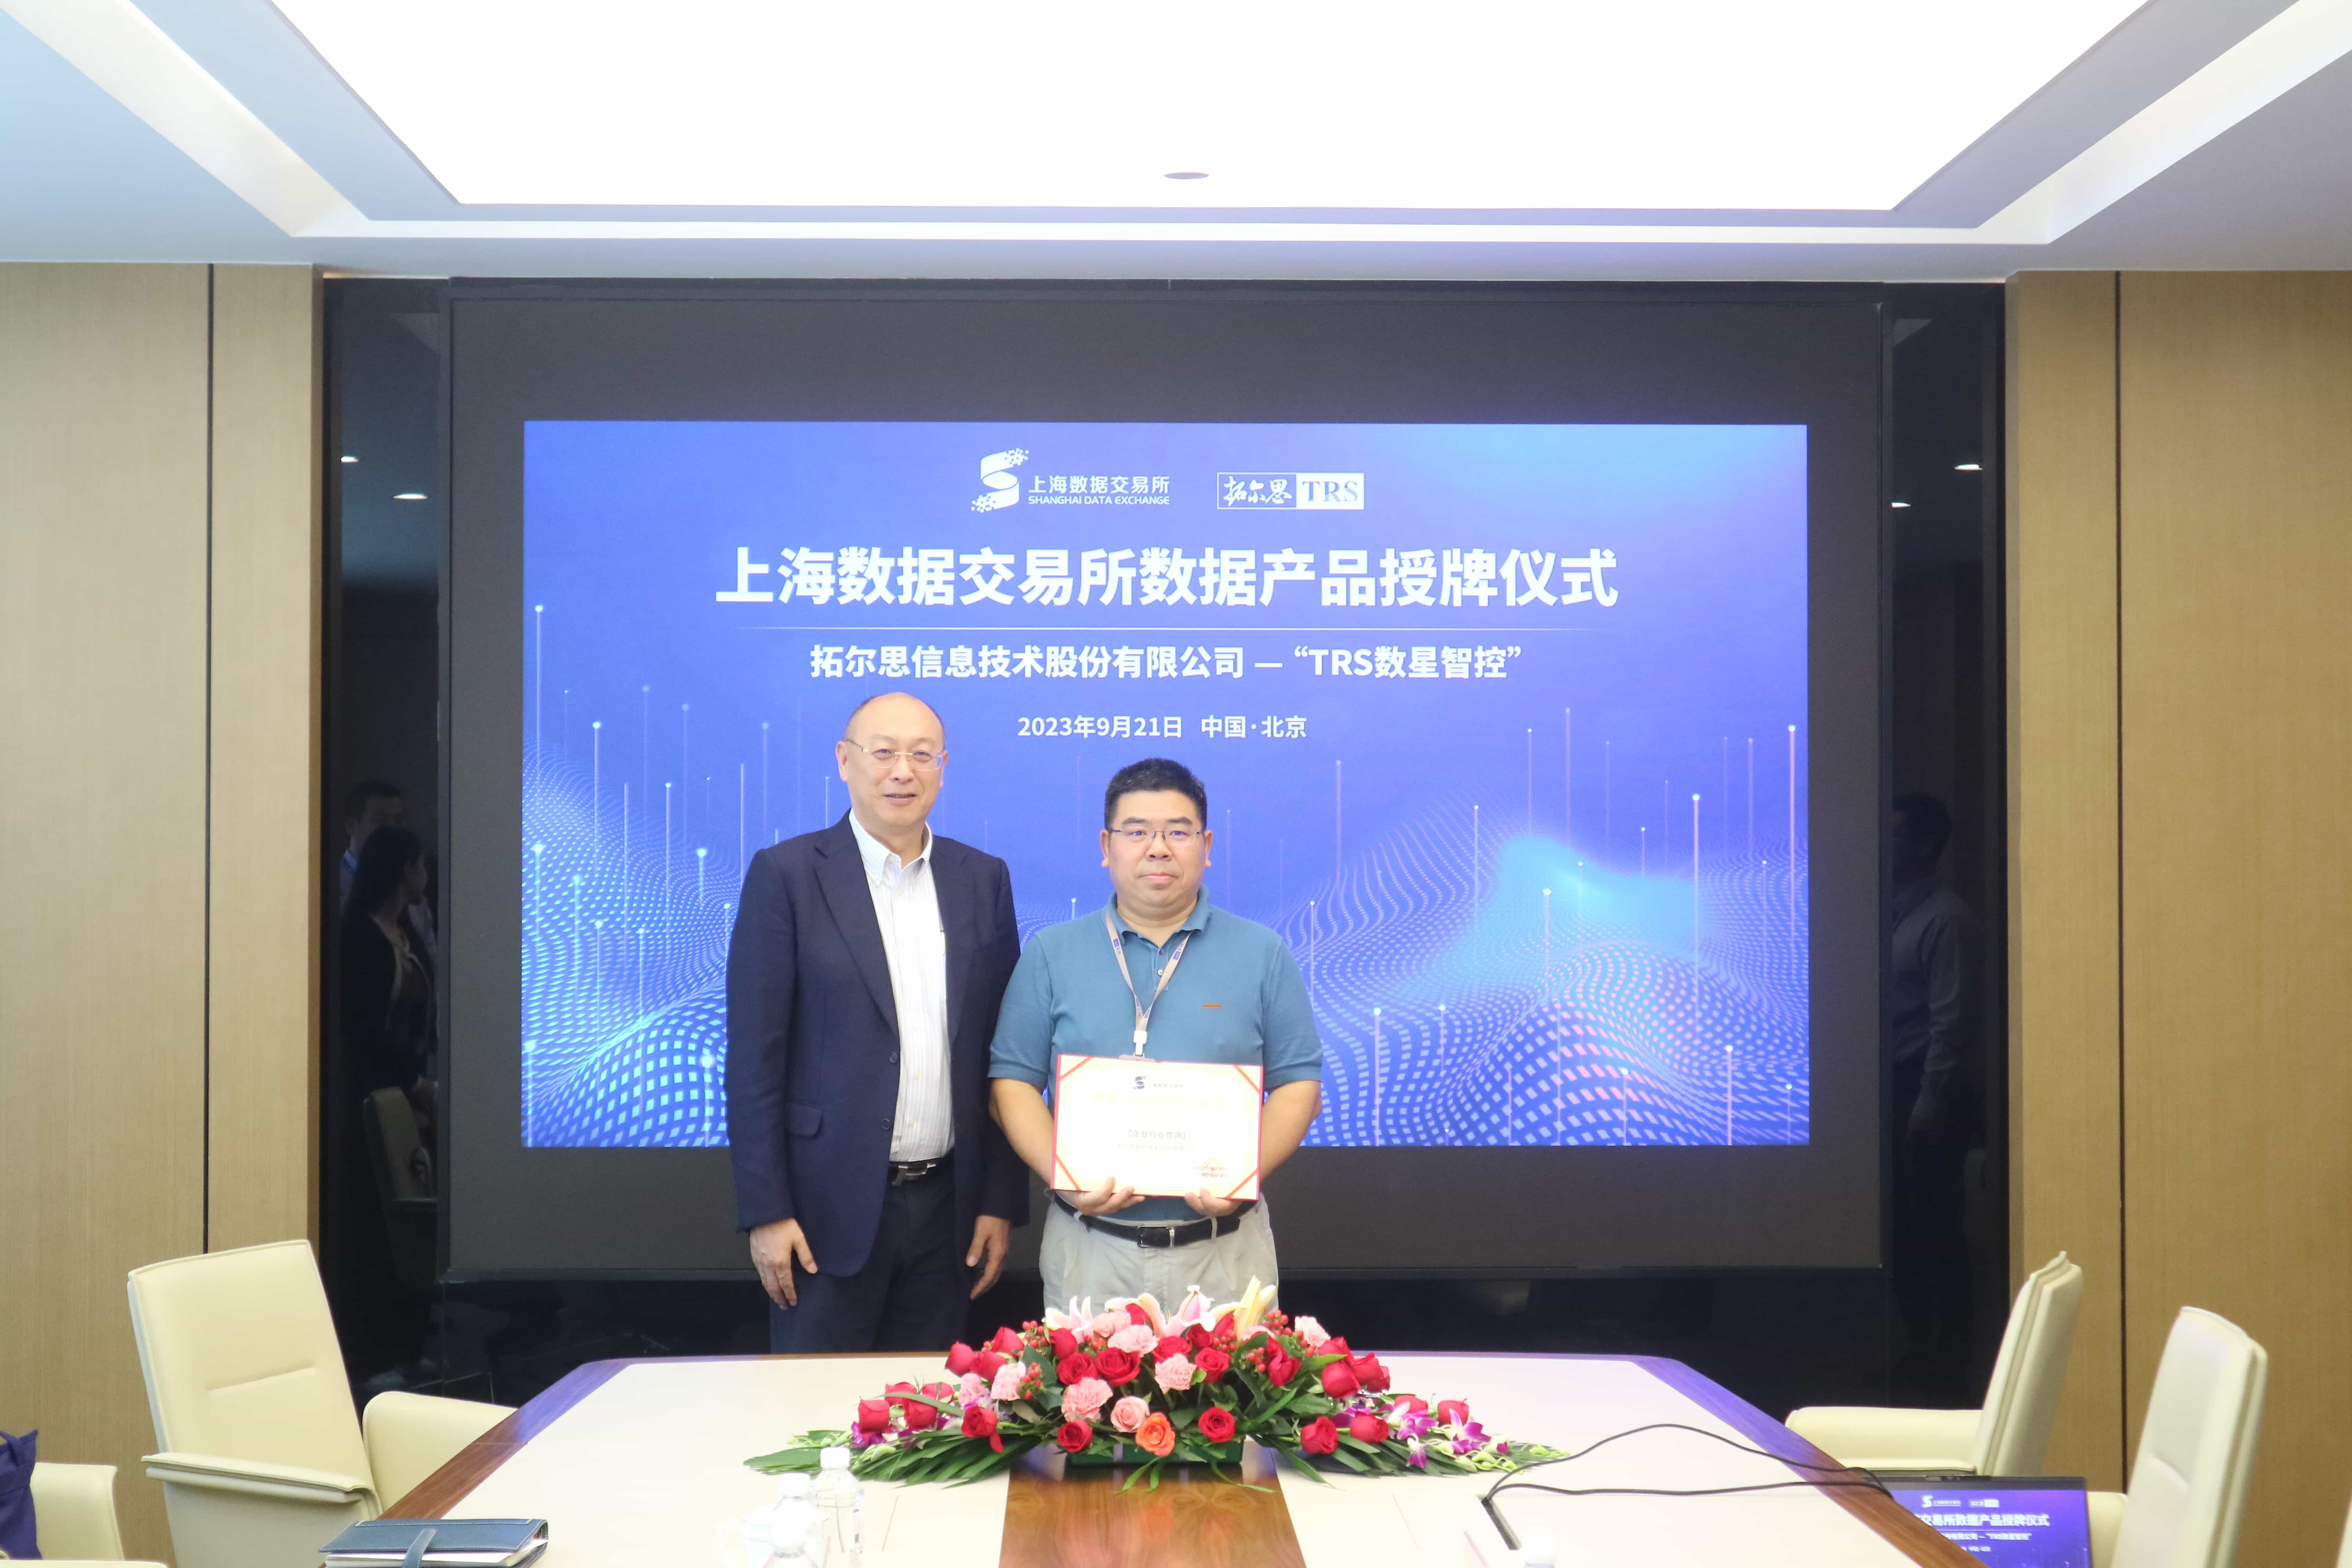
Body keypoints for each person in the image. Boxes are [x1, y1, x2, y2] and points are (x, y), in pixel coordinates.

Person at [725, 693, 1028, 1351]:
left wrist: (999, 1200)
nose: (902, 771)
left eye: (922, 755)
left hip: (949, 1214)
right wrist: (767, 1212)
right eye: (884, 752)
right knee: (814, 1410)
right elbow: (754, 1060)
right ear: (844, 761)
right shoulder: (787, 875)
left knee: (930, 1408)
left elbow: (1004, 1054)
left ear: (943, 768)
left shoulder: (983, 879)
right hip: (822, 1214)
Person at [989, 757, 1323, 1312]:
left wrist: (1241, 1176)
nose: (1158, 849)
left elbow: (1299, 1087)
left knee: (1237, 1376)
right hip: (1090, 1248)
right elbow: (1011, 1085)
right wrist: (1065, 1177)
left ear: (1207, 846)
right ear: (1107, 845)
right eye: (1137, 831)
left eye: (1178, 832)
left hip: (1225, 1251)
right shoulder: (1052, 954)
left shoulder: (1263, 954)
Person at [333, 824, 437, 1377]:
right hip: (373, 1102)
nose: (427, 877)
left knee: (412, 1217)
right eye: (421, 866)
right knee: (377, 1227)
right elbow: (365, 1032)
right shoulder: (359, 937)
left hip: (409, 1098)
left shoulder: (407, 933)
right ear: (403, 871)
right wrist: (416, 1085)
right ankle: (376, 1356)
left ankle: (411, 1347)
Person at [1887, 790, 1982, 1393]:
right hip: (1891, 1088)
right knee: (1901, 1228)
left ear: (1924, 845)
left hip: (1926, 1091)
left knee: (1936, 1228)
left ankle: (1949, 1369)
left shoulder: (1946, 920)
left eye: (1894, 835)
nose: (1881, 846)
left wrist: (1929, 1105)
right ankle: (1918, 1353)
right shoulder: (1892, 912)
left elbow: (1953, 1022)